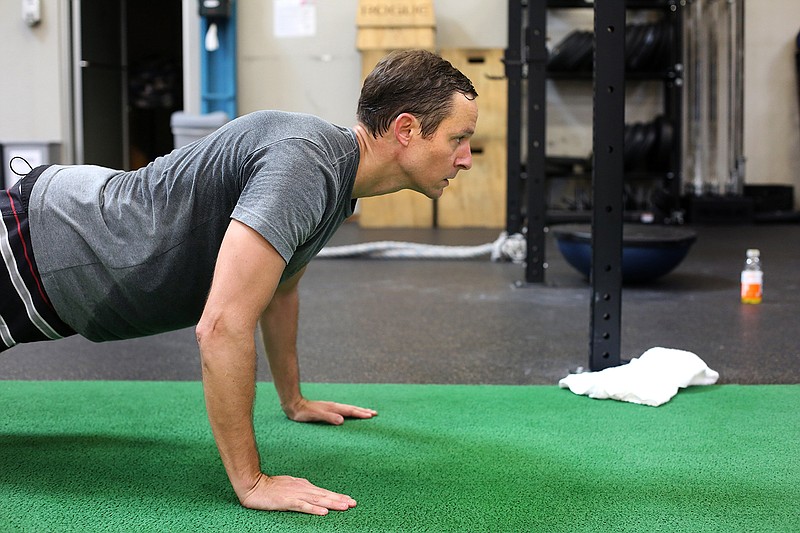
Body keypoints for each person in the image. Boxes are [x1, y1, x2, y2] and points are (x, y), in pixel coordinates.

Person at [0, 49, 478, 515]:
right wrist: (252, 481)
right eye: (459, 138)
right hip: (33, 245)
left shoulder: (338, 179)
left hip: (60, 270)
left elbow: (280, 289)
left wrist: (294, 399)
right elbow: (222, 326)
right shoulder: (306, 166)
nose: (466, 158)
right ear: (407, 129)